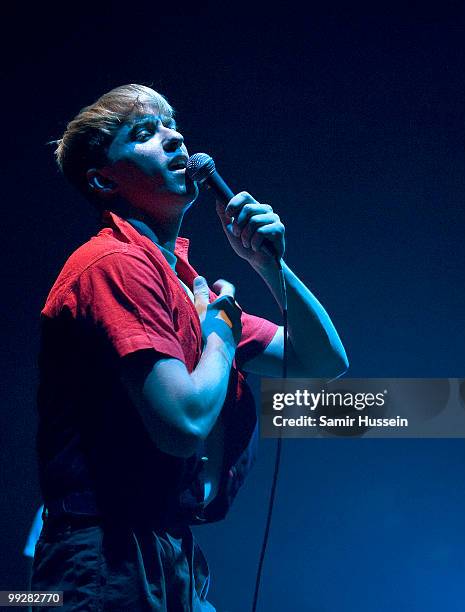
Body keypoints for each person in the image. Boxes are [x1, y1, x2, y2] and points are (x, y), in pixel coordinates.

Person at [31, 84, 348, 611]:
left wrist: (267, 265)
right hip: (103, 557)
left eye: (171, 124)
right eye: (145, 133)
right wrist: (222, 325)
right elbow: (181, 424)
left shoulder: (182, 284)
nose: (175, 137)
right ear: (103, 179)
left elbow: (323, 361)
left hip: (162, 550)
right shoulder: (115, 265)